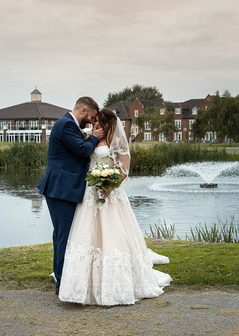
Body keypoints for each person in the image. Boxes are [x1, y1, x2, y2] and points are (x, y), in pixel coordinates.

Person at [58, 108, 171, 306]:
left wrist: (109, 187)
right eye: (93, 121)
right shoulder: (90, 138)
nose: (93, 124)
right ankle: (83, 284)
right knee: (87, 236)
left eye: (97, 122)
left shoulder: (117, 142)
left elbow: (123, 170)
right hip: (90, 194)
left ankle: (114, 283)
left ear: (107, 124)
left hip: (110, 195)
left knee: (113, 235)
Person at [36, 97, 105, 295]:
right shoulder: (66, 124)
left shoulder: (68, 124)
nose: (92, 122)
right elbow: (82, 151)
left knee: (63, 235)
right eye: (91, 117)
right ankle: (61, 281)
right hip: (60, 189)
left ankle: (63, 277)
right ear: (83, 110)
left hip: (64, 189)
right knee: (63, 236)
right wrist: (95, 136)